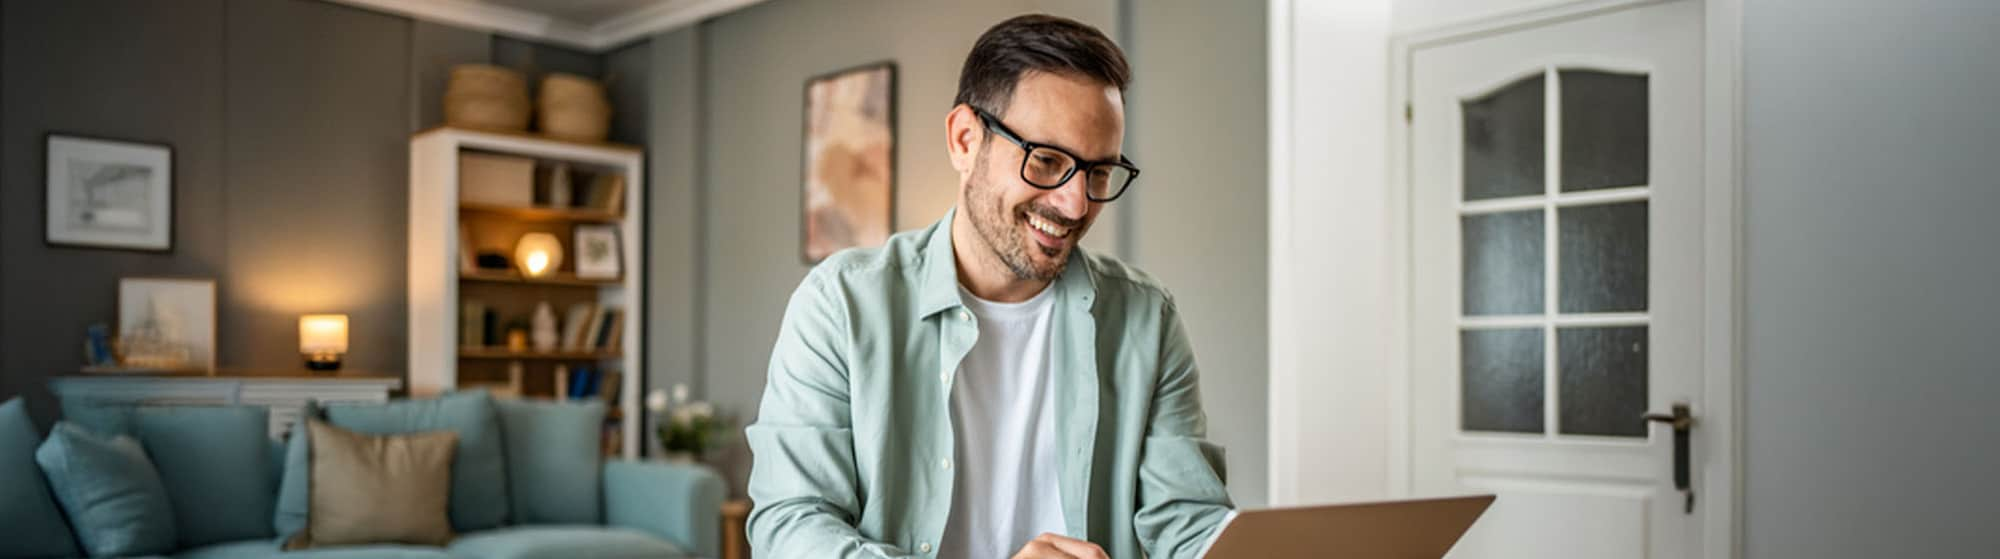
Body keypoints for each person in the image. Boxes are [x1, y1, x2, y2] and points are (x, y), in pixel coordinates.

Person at [746, 14, 1232, 559]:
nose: (1076, 204)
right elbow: (791, 527)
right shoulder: (840, 305)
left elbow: (1188, 523)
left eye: (1098, 172)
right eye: (1046, 161)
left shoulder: (1147, 317)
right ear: (964, 140)